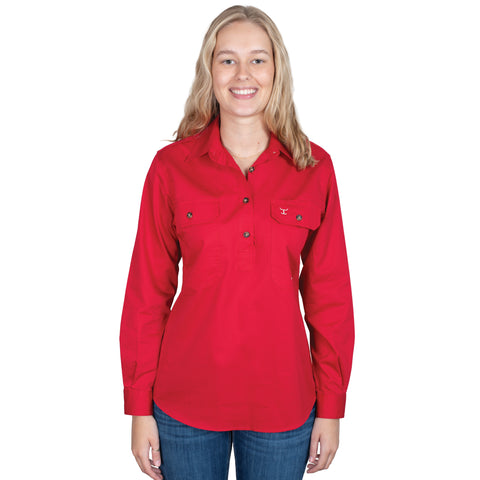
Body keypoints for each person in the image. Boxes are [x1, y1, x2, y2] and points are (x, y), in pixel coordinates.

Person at [119, 5, 355, 480]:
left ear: (276, 70)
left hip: (284, 403)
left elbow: (330, 297)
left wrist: (331, 406)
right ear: (209, 71)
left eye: (257, 60)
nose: (242, 74)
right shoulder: (171, 168)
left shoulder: (314, 168)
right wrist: (138, 405)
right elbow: (147, 292)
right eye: (227, 60)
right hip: (184, 402)